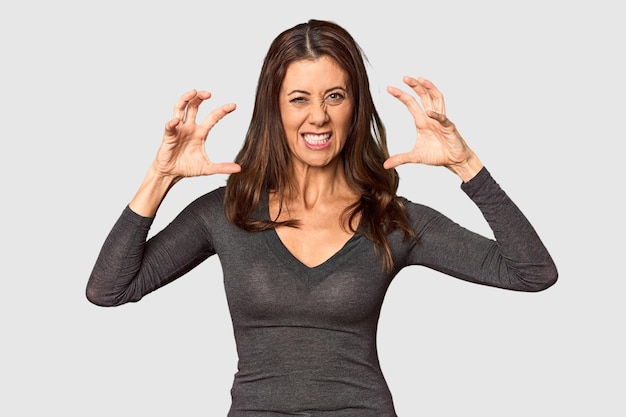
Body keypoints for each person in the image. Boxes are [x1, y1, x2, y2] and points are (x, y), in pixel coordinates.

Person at [86, 19, 557, 417]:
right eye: (299, 99)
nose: (319, 117)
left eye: (335, 96)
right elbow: (110, 289)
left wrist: (465, 163)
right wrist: (161, 175)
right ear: (274, 107)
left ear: (356, 106)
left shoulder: (391, 220)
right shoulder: (226, 212)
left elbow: (532, 272)